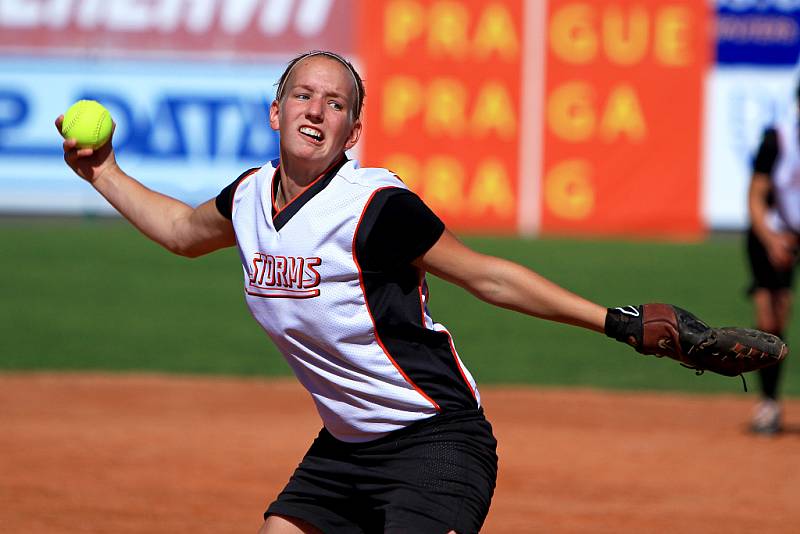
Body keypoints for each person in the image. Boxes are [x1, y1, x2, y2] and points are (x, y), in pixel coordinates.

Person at [57, 50, 781, 533]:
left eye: (335, 103)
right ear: (274, 113)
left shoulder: (377, 206)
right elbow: (183, 230)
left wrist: (617, 323)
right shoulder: (247, 199)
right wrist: (102, 171)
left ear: (354, 129)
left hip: (437, 445)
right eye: (302, 95)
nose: (316, 109)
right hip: (341, 453)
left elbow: (486, 274)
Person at [745, 83, 800, 435]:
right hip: (771, 234)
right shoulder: (777, 139)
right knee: (772, 315)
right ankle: (768, 403)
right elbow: (754, 196)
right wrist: (773, 240)